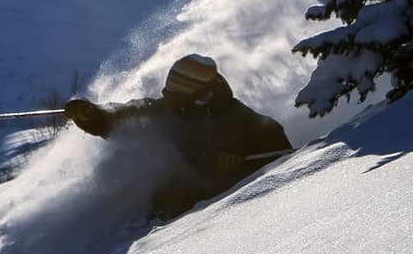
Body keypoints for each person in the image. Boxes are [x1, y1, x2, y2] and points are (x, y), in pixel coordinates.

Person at [64, 54, 292, 220]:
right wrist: (92, 115)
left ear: (201, 96)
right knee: (168, 188)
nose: (169, 99)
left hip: (233, 211)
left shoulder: (244, 121)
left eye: (178, 95)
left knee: (179, 190)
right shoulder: (167, 110)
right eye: (169, 91)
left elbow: (281, 160)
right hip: (181, 211)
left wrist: (239, 165)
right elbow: (123, 117)